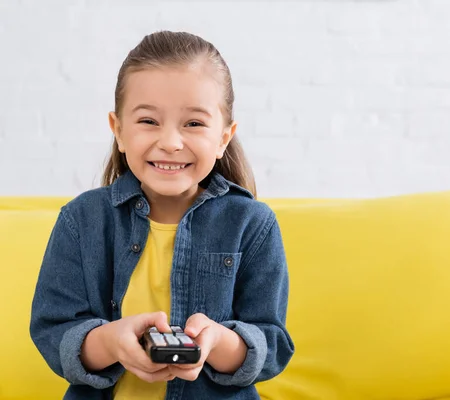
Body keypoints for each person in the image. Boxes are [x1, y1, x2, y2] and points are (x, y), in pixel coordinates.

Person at [29, 30, 294, 400]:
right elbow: (52, 332)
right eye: (149, 121)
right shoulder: (81, 220)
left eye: (194, 123)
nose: (170, 142)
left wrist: (217, 343)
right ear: (118, 130)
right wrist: (110, 342)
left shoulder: (252, 225)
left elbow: (272, 346)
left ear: (223, 138)